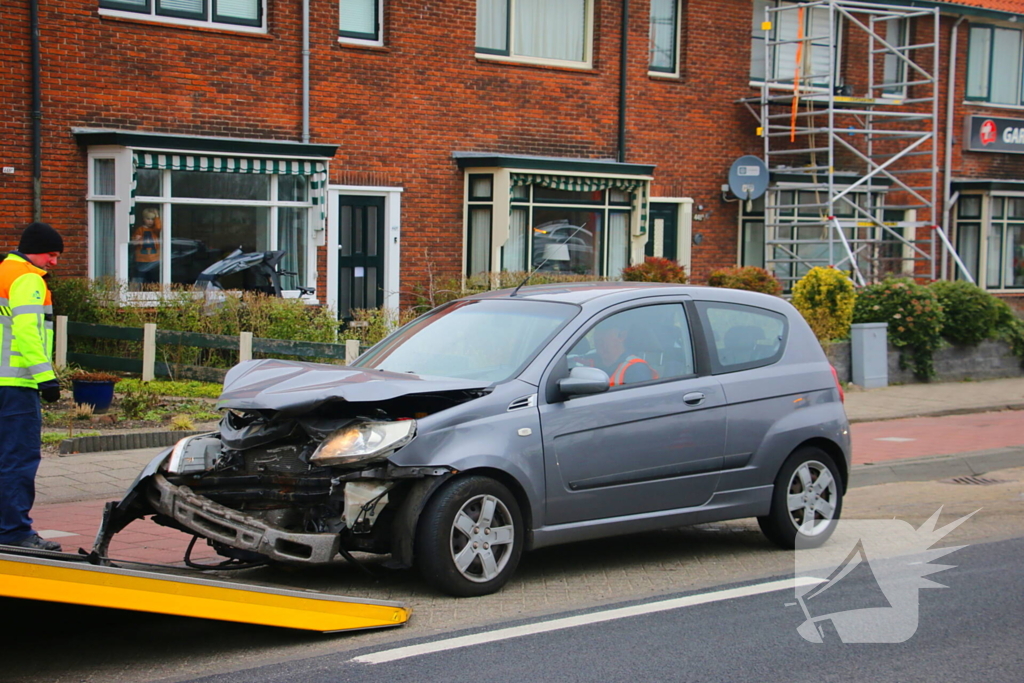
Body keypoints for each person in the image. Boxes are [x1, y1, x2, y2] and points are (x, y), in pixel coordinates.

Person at [0, 222, 64, 551]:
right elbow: (27, 332)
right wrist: (46, 378)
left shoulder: (3, 272)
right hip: (16, 385)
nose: (54, 262)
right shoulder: (27, 279)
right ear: (33, 250)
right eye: (50, 254)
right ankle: (13, 534)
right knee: (17, 459)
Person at [592, 319, 658, 387]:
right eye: (596, 341)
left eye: (602, 341)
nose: (598, 346)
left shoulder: (636, 368)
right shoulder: (589, 362)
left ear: (622, 336)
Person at [130, 208, 161, 285]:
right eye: (148, 219)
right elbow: (134, 243)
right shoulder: (140, 229)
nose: (150, 221)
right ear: (144, 219)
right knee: (139, 278)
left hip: (154, 259)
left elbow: (158, 227)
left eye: (152, 219)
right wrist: (138, 239)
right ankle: (135, 293)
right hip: (141, 259)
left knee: (153, 279)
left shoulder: (154, 230)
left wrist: (157, 217)